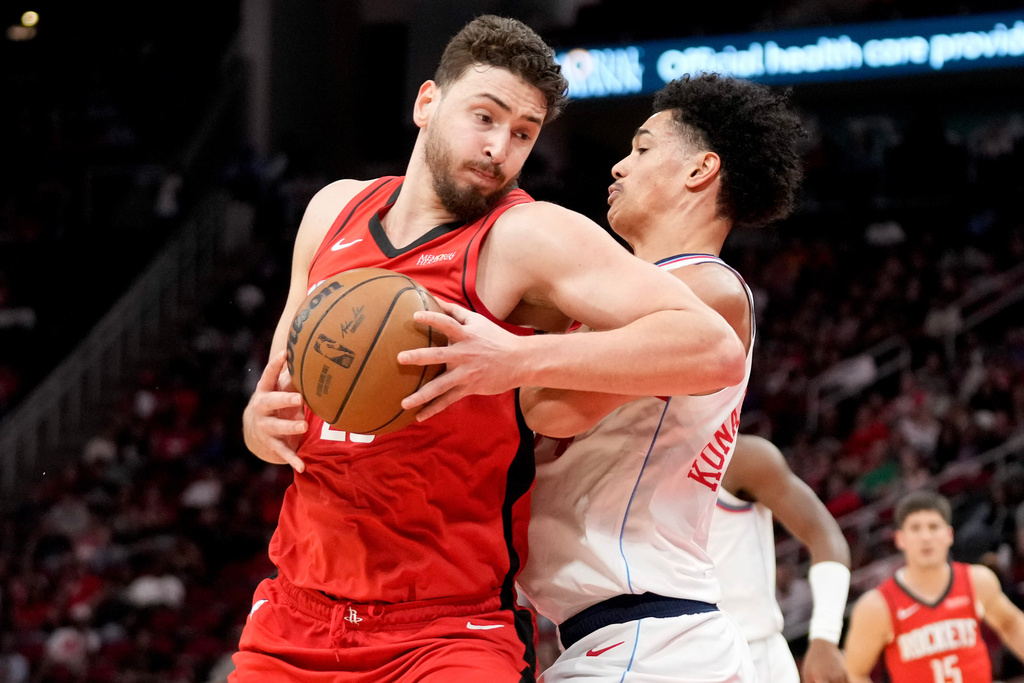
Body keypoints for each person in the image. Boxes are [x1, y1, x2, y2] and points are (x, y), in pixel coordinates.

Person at [235, 16, 747, 683]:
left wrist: (516, 360)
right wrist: (257, 424)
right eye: (485, 117)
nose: (499, 148)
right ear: (427, 102)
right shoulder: (332, 210)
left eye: (523, 133)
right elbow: (280, 391)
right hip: (295, 615)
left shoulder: (527, 236)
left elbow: (714, 348)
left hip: (446, 632)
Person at [516, 73, 806, 681]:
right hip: (635, 637)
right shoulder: (628, 293)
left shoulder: (706, 287)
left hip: (647, 640)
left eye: (643, 148)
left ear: (700, 169)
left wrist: (505, 353)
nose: (619, 166)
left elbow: (552, 407)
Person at [709, 433, 851, 683]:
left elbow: (823, 534)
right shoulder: (636, 467)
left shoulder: (740, 456)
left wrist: (825, 637)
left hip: (753, 652)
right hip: (659, 655)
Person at [843, 489, 1024, 683]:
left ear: (949, 535)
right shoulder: (878, 605)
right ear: (900, 539)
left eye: (933, 527)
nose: (926, 537)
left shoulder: (977, 581)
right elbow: (854, 673)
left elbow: (1011, 625)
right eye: (915, 529)